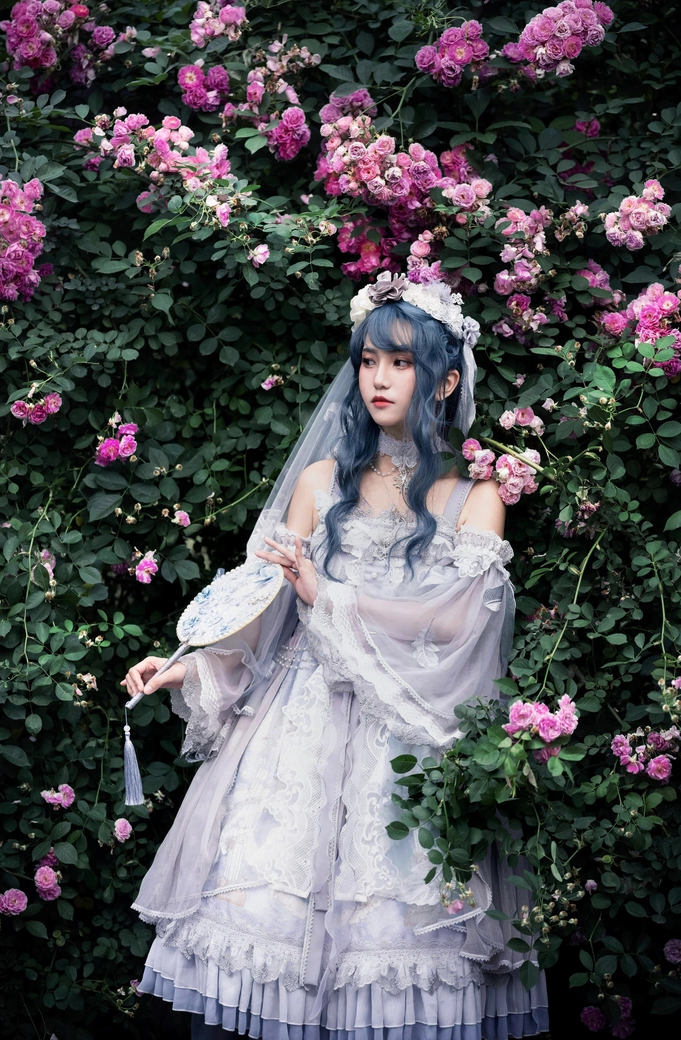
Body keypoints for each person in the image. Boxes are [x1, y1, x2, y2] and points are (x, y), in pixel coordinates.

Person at [122, 273, 550, 1040]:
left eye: (401, 362)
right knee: (264, 919)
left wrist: (332, 597)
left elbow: (458, 623)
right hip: (298, 726)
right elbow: (266, 614)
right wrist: (185, 665)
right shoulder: (320, 484)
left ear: (445, 380)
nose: (378, 378)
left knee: (392, 931)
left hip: (408, 736)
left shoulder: (476, 495)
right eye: (368, 361)